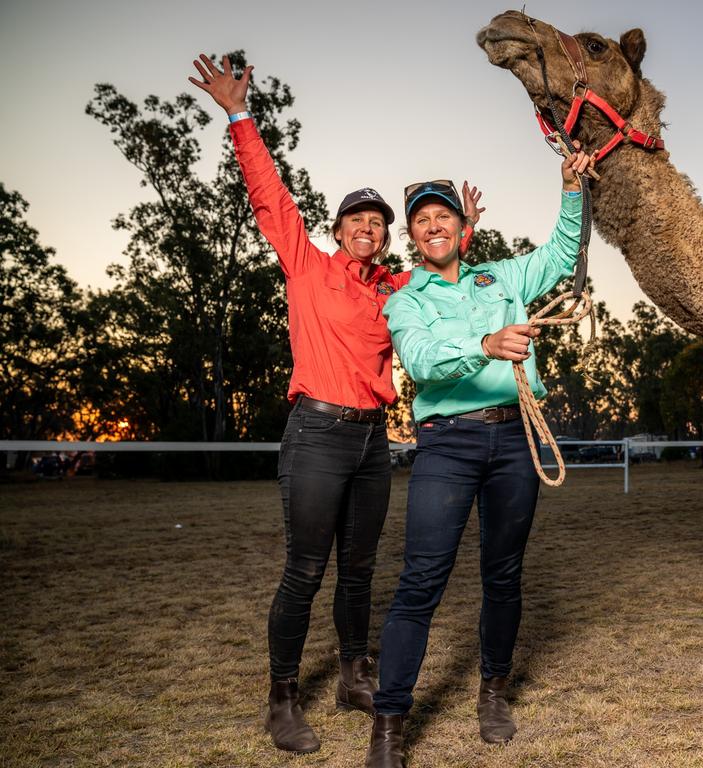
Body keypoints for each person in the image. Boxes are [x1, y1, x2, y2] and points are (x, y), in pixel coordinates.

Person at [187, 54, 483, 755]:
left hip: (372, 441)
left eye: (379, 222)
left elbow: (445, 269)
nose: (370, 228)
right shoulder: (307, 265)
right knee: (305, 571)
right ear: (338, 227)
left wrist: (461, 231)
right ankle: (282, 697)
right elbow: (268, 192)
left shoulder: (398, 289)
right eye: (359, 219)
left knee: (360, 571)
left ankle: (356, 675)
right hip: (316, 435)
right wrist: (239, 116)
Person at [365, 148, 593, 767]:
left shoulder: (502, 278)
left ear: (463, 228)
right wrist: (486, 343)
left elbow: (561, 254)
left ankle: (493, 691)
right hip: (448, 443)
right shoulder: (406, 300)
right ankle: (388, 724)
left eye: (444, 216)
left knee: (503, 573)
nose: (434, 225)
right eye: (421, 220)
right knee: (421, 580)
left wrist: (571, 189)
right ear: (411, 236)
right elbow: (419, 362)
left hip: (516, 438)